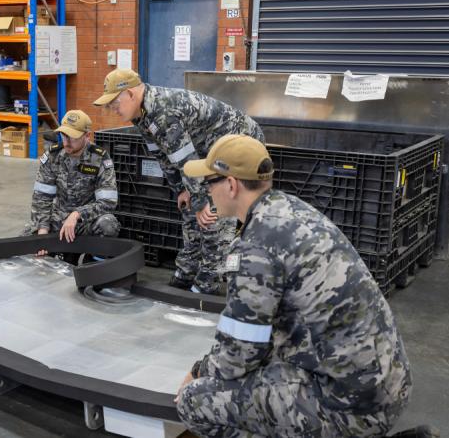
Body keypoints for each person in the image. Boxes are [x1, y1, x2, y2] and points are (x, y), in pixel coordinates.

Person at [175, 134, 411, 436]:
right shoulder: (290, 209)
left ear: (231, 185)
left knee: (195, 402)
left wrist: (198, 372)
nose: (207, 191)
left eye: (209, 182)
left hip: (351, 409)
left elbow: (237, 357)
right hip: (390, 385)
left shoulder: (255, 249)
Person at [94, 69, 264, 294]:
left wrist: (202, 200)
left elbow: (186, 160)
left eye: (114, 103)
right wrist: (182, 190)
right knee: (191, 207)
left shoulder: (162, 111)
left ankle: (208, 281)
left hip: (240, 146)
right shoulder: (141, 115)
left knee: (214, 211)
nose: (112, 109)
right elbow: (163, 156)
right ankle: (188, 268)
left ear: (131, 94)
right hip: (206, 151)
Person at [24, 110, 120, 247]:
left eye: (73, 137)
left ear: (87, 136)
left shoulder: (99, 158)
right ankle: (56, 257)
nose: (67, 142)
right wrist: (42, 232)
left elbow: (108, 202)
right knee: (26, 237)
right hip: (59, 220)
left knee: (108, 225)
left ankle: (92, 262)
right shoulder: (53, 155)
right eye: (64, 135)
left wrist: (77, 214)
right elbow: (42, 197)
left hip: (86, 221)